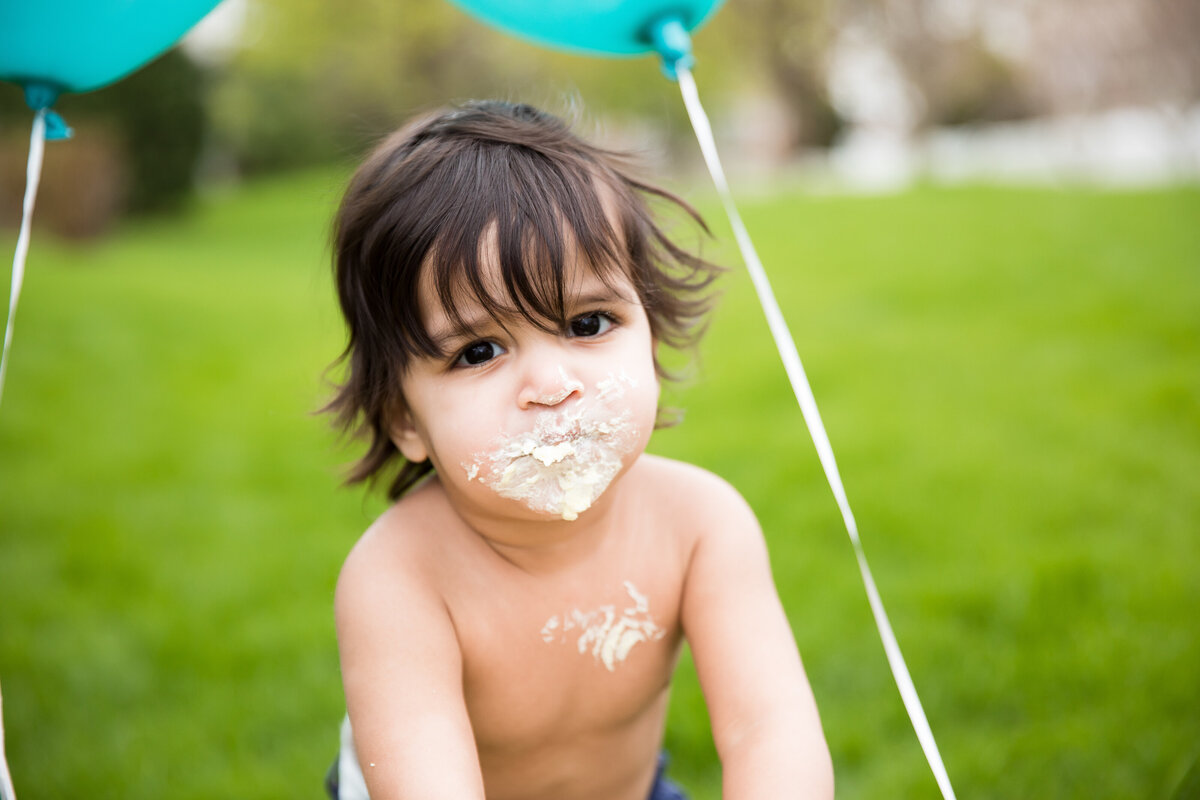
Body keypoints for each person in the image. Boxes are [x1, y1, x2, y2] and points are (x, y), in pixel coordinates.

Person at [324, 100, 833, 800]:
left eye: (587, 323)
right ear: (403, 419)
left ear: (649, 338)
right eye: (479, 351)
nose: (552, 385)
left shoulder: (700, 525)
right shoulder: (400, 578)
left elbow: (768, 729)